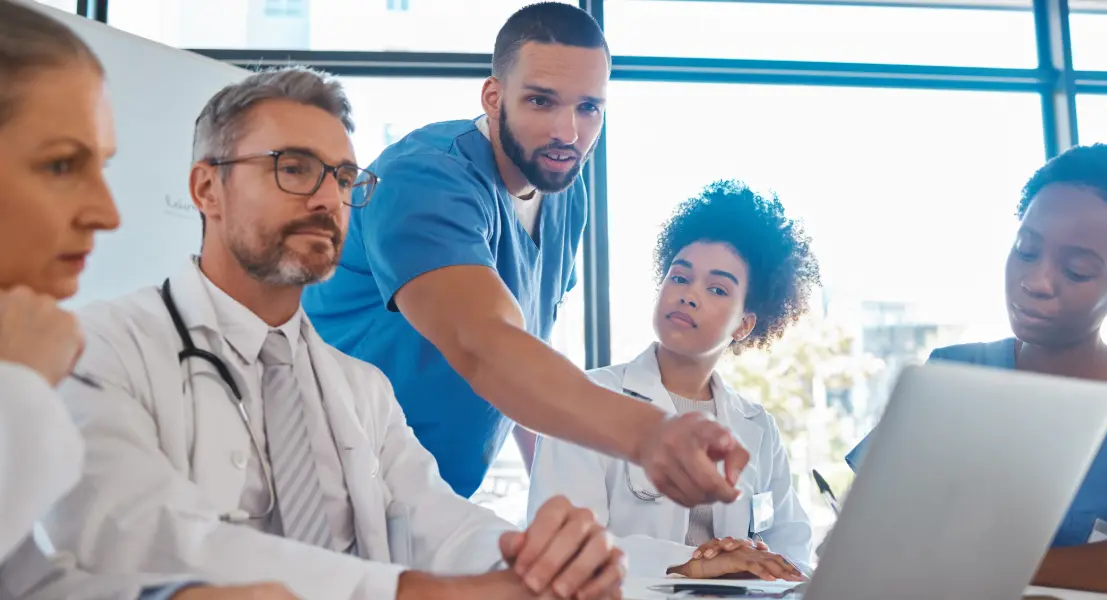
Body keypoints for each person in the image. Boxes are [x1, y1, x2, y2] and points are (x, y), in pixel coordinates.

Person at [37, 65, 624, 600]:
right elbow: (145, 540)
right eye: (293, 169)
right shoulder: (102, 350)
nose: (327, 199)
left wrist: (535, 561)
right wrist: (425, 593)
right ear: (206, 189)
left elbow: (436, 520)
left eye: (343, 178)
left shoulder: (362, 389)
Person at [302, 1, 748, 508]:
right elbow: (486, 343)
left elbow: (528, 354)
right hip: (331, 487)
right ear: (494, 97)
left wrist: (573, 499)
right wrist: (648, 435)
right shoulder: (424, 179)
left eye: (589, 108)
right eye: (541, 102)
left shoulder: (563, 193)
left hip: (431, 502)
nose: (568, 133)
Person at [0, 2, 304, 600]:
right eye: (60, 164)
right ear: (207, 191)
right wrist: (22, 389)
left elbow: (22, 579)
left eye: (103, 166)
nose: (107, 213)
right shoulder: (62, 356)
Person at [846, 144, 1107, 597]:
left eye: (1076, 271)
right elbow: (878, 532)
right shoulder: (952, 376)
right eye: (1026, 251)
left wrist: (995, 564)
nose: (1036, 282)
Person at [528, 181, 816, 580]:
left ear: (744, 324)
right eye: (679, 278)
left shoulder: (758, 427)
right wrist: (693, 563)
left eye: (716, 288)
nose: (688, 295)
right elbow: (562, 546)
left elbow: (794, 549)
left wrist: (759, 558)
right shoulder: (585, 399)